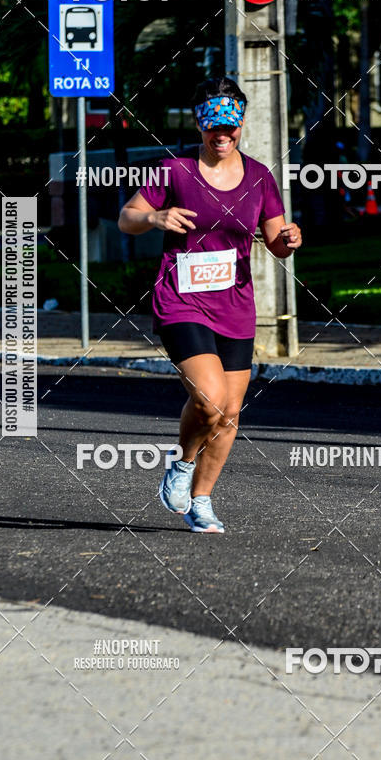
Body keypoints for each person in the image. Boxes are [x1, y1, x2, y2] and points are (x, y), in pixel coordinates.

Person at [118, 77, 302, 533]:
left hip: (235, 305)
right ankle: (181, 465)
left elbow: (277, 243)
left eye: (229, 128)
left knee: (230, 413)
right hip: (181, 299)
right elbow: (127, 218)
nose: (222, 136)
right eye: (213, 128)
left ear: (241, 125)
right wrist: (154, 216)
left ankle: (201, 500)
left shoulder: (259, 177)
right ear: (199, 125)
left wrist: (290, 239)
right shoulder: (174, 171)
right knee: (209, 399)